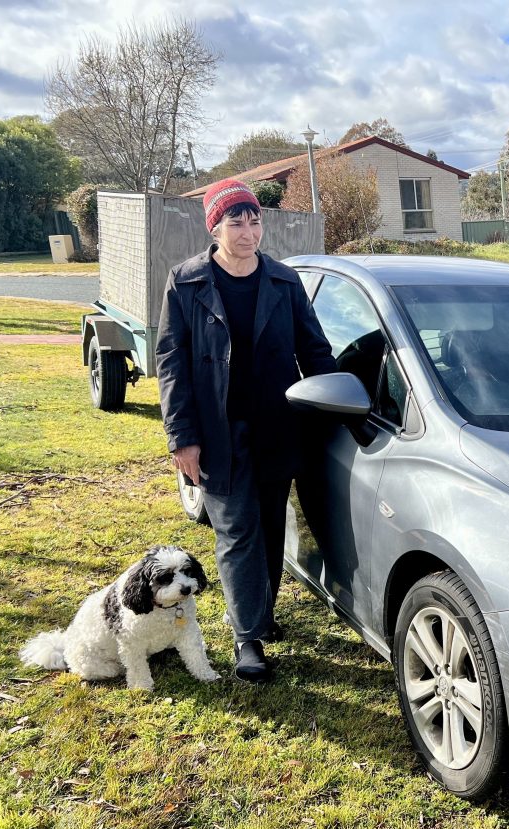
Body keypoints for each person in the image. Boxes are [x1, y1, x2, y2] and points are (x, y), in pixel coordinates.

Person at [155, 179, 337, 682]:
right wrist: (181, 436)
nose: (247, 229)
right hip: (217, 433)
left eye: (253, 218)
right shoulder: (186, 281)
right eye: (235, 220)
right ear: (215, 226)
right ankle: (247, 637)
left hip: (278, 426)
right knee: (237, 532)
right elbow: (171, 362)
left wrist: (341, 397)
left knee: (271, 527)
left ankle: (262, 614)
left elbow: (314, 350)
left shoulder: (282, 281)